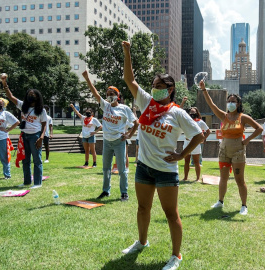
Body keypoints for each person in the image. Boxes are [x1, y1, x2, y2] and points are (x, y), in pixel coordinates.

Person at [121, 41, 204, 270]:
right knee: (142, 208)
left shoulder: (177, 113)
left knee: (170, 214)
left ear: (169, 89)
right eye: (153, 84)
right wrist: (127, 52)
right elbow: (130, 80)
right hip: (144, 167)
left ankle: (176, 256)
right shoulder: (147, 102)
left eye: (159, 85)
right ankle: (142, 242)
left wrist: (181, 154)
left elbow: (199, 135)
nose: (154, 88)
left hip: (166, 170)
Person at [200, 82, 263, 215]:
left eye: (233, 101)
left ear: (238, 104)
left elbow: (259, 128)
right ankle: (220, 201)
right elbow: (212, 105)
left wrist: (247, 140)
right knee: (223, 177)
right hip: (224, 150)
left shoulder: (243, 117)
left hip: (238, 151)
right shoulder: (224, 116)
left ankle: (244, 205)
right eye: (229, 101)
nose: (230, 104)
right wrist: (204, 90)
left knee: (239, 179)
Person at [82, 71, 139, 201]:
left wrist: (129, 135)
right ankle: (105, 191)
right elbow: (95, 92)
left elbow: (136, 122)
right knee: (106, 169)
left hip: (119, 142)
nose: (109, 96)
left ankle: (124, 192)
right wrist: (87, 79)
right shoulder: (105, 106)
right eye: (107, 94)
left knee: (122, 170)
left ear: (117, 95)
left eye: (112, 94)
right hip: (107, 142)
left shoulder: (124, 109)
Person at [2, 75, 48, 188]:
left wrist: (41, 137)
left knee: (37, 160)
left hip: (35, 136)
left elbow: (44, 125)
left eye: (33, 95)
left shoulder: (41, 110)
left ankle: (37, 183)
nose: (30, 96)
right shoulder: (23, 105)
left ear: (37, 97)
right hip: (24, 136)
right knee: (25, 159)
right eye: (29, 94)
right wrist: (4, 83)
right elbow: (10, 96)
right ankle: (27, 181)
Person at [182, 107, 210, 181]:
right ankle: (185, 178)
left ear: (197, 113)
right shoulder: (187, 121)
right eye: (191, 113)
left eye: (194, 113)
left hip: (196, 143)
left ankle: (197, 178)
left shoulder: (200, 122)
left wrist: (203, 139)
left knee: (196, 162)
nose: (192, 114)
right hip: (187, 141)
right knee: (186, 161)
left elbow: (208, 131)